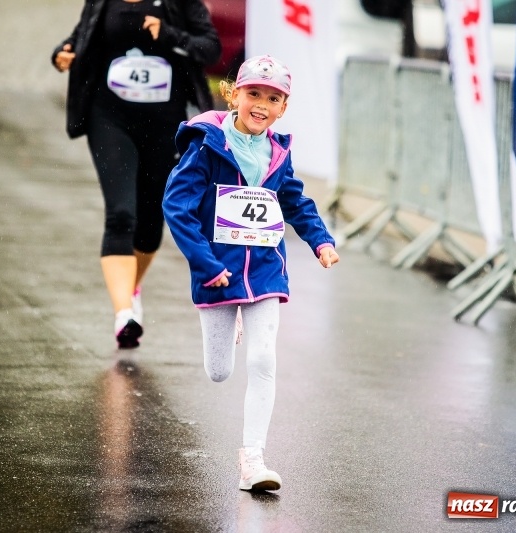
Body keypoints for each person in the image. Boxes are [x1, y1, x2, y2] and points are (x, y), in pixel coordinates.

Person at [162, 55, 340, 491]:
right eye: (253, 94)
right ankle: (232, 309)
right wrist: (205, 264)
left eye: (273, 98)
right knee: (219, 371)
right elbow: (177, 208)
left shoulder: (278, 153)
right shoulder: (206, 146)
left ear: (283, 108)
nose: (261, 104)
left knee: (263, 360)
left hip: (264, 269)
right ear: (233, 95)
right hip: (217, 270)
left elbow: (295, 201)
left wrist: (321, 240)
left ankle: (252, 459)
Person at [51, 0, 221, 349]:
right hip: (110, 118)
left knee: (149, 224)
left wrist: (169, 34)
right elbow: (81, 37)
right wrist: (62, 53)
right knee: (121, 214)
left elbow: (210, 48)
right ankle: (124, 313)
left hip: (165, 124)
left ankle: (131, 286)